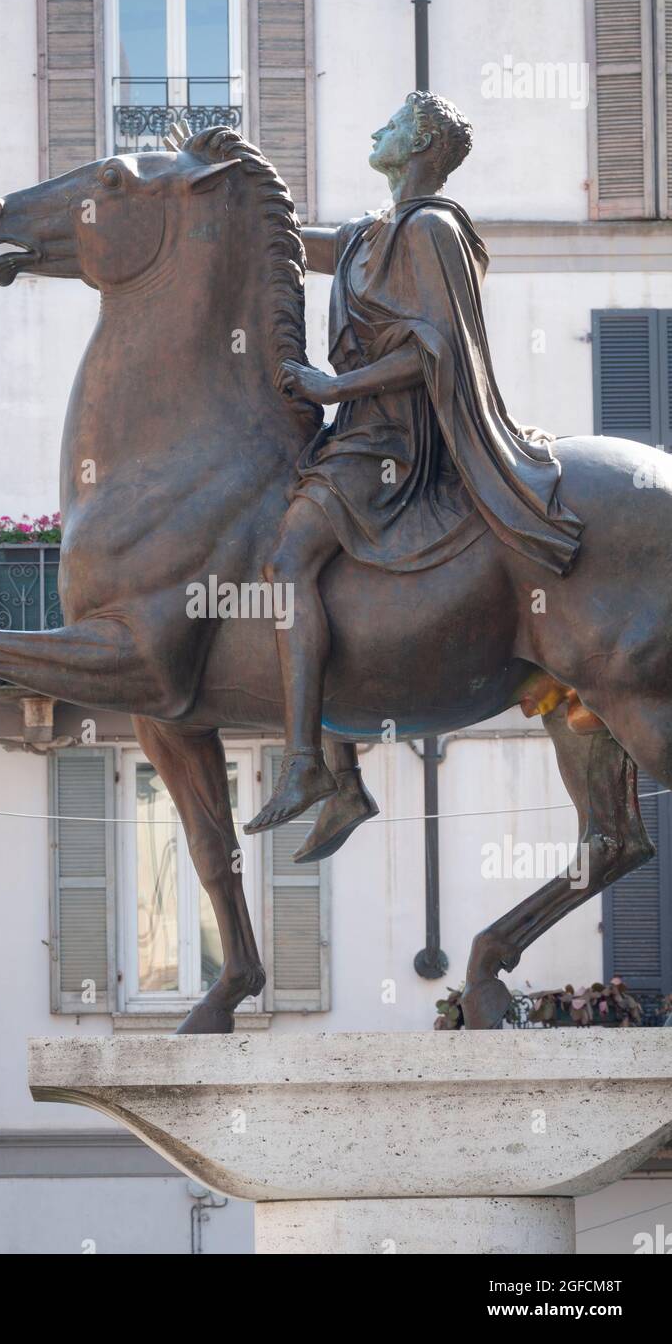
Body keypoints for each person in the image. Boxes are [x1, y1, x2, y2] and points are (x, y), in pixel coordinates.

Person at [245, 91, 582, 840]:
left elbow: (436, 351)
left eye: (391, 123)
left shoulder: (430, 230)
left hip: (396, 438)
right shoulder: (373, 230)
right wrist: (235, 189)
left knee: (289, 563)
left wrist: (335, 386)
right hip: (354, 430)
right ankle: (344, 784)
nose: (374, 129)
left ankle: (307, 761)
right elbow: (295, 244)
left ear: (422, 142)